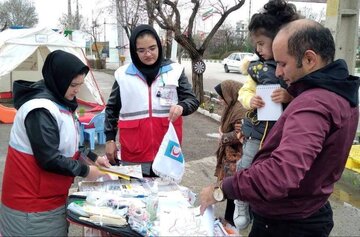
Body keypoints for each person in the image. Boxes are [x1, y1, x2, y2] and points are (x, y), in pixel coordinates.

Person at [200, 19, 359, 237]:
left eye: (283, 63)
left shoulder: (313, 105)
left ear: (309, 59)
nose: (278, 72)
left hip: (285, 223)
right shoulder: (340, 93)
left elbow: (280, 175)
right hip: (310, 208)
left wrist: (221, 190)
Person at [0, 50, 110, 236]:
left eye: (80, 85)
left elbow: (70, 143)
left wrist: (93, 158)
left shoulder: (62, 101)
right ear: (58, 80)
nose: (77, 90)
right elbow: (49, 158)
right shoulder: (40, 110)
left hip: (51, 199)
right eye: (73, 85)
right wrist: (87, 171)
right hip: (30, 207)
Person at [233, 0, 300, 230]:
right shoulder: (256, 69)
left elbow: (303, 97)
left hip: (282, 134)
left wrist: (289, 98)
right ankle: (242, 206)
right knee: (246, 166)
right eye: (256, 44)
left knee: (271, 174)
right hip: (257, 132)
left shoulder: (296, 68)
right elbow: (244, 91)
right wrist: (250, 100)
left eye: (262, 43)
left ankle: (260, 205)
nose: (258, 49)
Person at [104, 24, 199, 175]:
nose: (148, 54)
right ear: (134, 52)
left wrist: (182, 106)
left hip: (166, 148)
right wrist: (109, 140)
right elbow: (112, 109)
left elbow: (192, 100)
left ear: (159, 47)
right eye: (141, 50)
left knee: (165, 195)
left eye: (152, 48)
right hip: (134, 151)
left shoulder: (174, 70)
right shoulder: (122, 75)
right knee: (135, 196)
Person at [213, 80, 246, 226]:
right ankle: (228, 220)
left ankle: (232, 223)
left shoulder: (240, 109)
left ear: (230, 93)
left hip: (237, 157)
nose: (220, 99)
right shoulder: (232, 106)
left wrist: (222, 136)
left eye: (222, 96)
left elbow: (241, 134)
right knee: (230, 189)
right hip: (229, 156)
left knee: (234, 190)